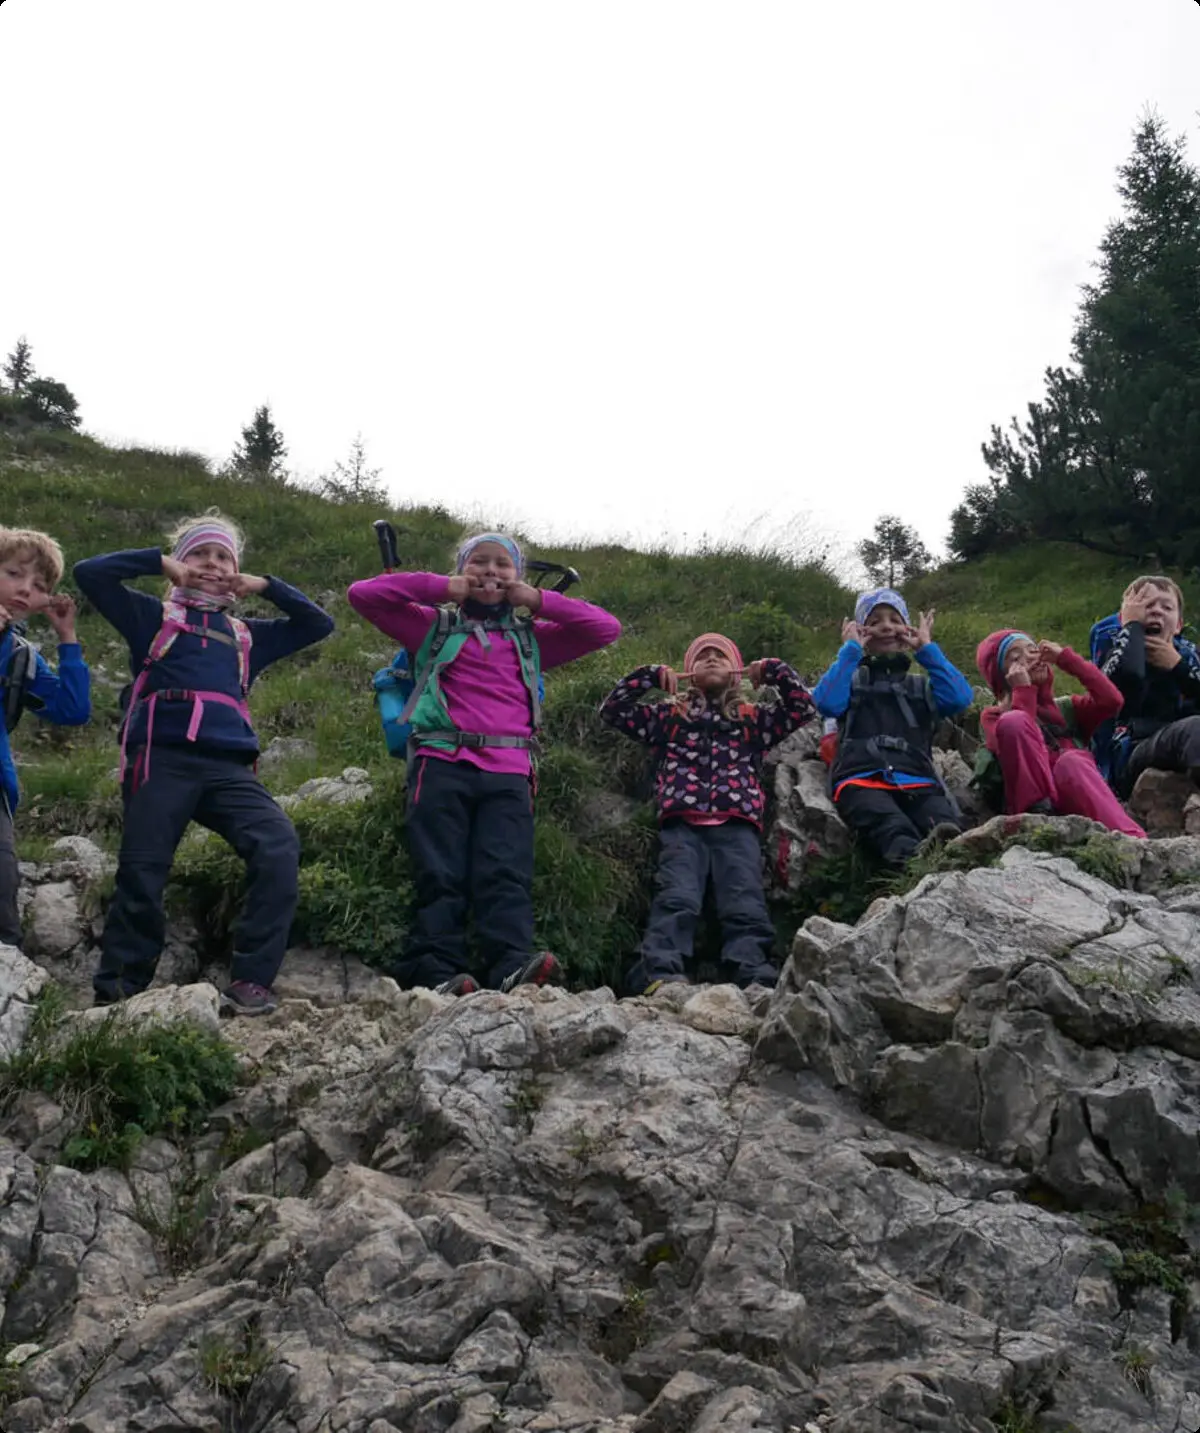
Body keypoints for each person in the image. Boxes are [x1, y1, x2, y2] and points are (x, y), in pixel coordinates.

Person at [75, 511, 334, 1014]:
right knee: (143, 871)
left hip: (229, 771)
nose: (212, 564)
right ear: (181, 560)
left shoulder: (246, 636)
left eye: (223, 557)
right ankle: (118, 996)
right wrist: (160, 564)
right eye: (200, 554)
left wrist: (266, 586)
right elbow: (90, 572)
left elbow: (317, 624)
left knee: (277, 843)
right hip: (161, 759)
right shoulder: (151, 617)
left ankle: (252, 981)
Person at [347, 531, 621, 996]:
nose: (490, 572)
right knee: (440, 869)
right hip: (440, 760)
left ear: (517, 577)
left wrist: (538, 599)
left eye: (502, 565)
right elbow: (363, 595)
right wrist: (442, 587)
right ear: (461, 569)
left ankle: (511, 963)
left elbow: (605, 629)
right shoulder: (431, 626)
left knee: (506, 869)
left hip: (509, 768)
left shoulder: (532, 639)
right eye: (478, 563)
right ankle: (435, 967)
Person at [599, 632, 814, 995]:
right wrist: (649, 677)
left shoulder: (751, 719)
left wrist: (776, 671)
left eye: (720, 655)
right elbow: (613, 711)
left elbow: (801, 708)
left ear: (737, 673)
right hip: (682, 826)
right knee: (677, 897)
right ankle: (658, 971)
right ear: (687, 674)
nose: (711, 659)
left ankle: (754, 973)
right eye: (702, 657)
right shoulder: (671, 717)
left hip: (737, 825)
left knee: (743, 900)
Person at [813, 587, 972, 867]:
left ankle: (952, 859)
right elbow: (826, 703)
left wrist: (927, 650)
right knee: (888, 822)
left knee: (941, 818)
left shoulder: (920, 686)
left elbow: (959, 699)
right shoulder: (852, 681)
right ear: (862, 633)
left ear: (906, 630)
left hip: (918, 779)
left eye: (894, 620)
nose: (886, 626)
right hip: (859, 779)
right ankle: (912, 866)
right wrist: (850, 651)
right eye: (874, 622)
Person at [0, 528, 91, 948]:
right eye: (13, 573)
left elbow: (72, 710)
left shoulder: (20, 656)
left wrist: (67, 639)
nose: (24, 590)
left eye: (38, 586)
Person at [975, 629, 1144, 835]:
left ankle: (1133, 839)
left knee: (1072, 761)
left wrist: (1066, 659)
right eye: (1016, 658)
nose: (1029, 657)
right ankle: (1037, 812)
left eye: (1032, 650)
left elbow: (1112, 701)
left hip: (1078, 798)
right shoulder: (993, 717)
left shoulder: (1065, 708)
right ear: (1002, 677)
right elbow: (1018, 739)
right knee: (1015, 720)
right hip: (1029, 807)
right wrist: (1023, 692)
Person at [1096, 575, 1200, 793]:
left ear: (1179, 624)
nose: (1156, 610)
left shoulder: (1190, 659)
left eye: (1167, 607)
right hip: (1133, 750)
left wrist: (1177, 666)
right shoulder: (1113, 654)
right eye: (1146, 605)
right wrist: (1132, 627)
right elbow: (1129, 675)